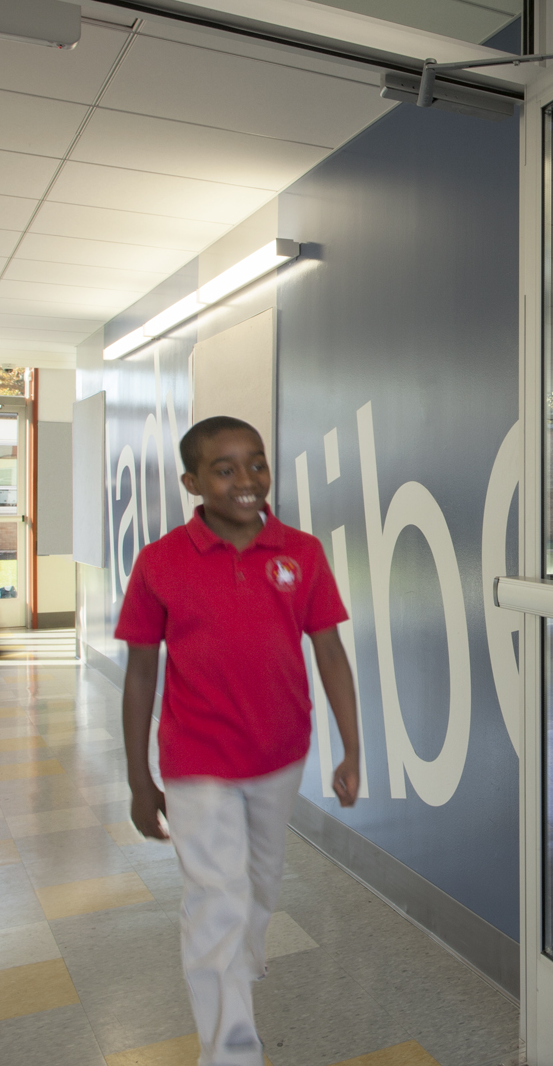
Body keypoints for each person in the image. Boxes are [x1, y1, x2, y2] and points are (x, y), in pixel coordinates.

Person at [116, 416, 361, 1066]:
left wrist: (353, 748)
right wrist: (141, 780)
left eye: (256, 463)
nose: (247, 480)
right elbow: (142, 672)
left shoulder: (301, 552)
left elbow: (330, 652)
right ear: (192, 482)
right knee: (216, 899)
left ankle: (238, 961)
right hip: (196, 760)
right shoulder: (160, 562)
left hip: (280, 753)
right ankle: (230, 1050)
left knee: (260, 884)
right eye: (225, 469)